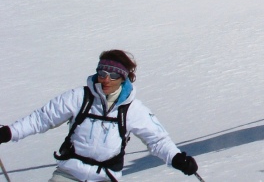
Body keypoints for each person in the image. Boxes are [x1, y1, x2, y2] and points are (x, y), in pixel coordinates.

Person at [0, 49, 198, 182]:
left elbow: (157, 140)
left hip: (105, 177)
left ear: (123, 78)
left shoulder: (133, 110)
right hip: (69, 174)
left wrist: (177, 158)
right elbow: (42, 119)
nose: (106, 80)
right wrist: (9, 132)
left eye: (112, 76)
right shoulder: (80, 97)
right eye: (102, 73)